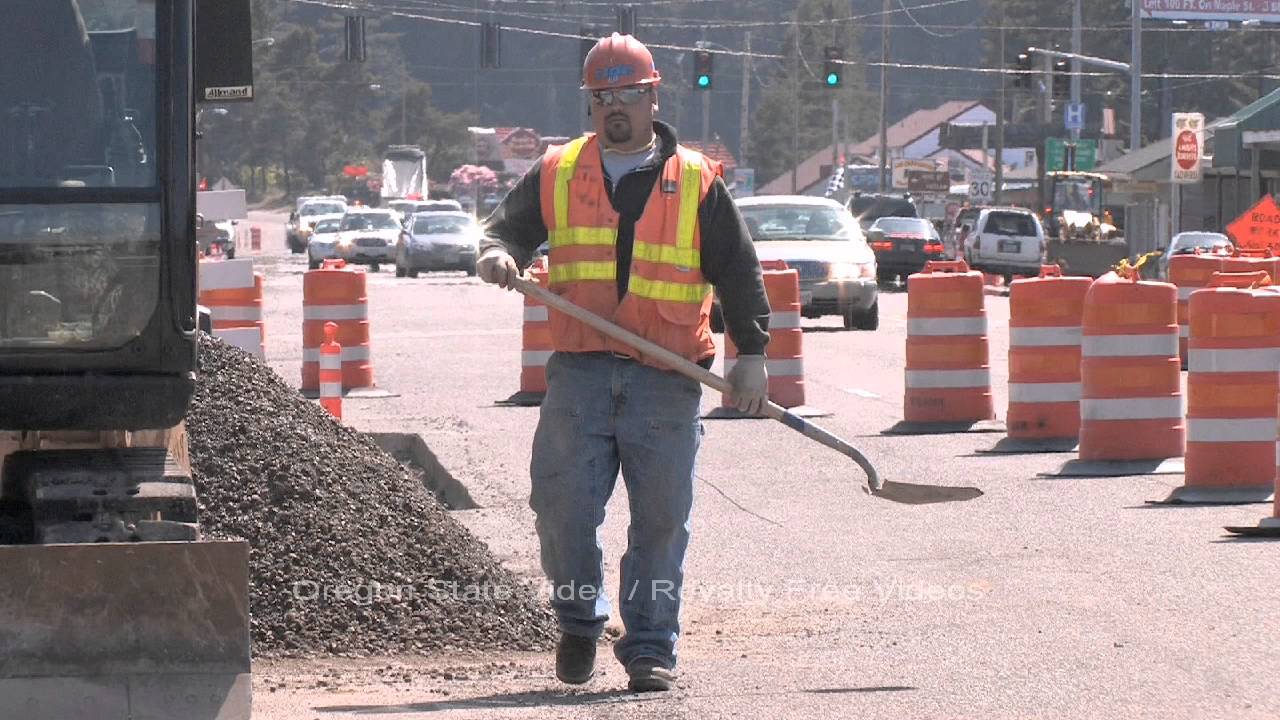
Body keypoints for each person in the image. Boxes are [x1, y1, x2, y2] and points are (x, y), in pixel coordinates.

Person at [477, 33, 771, 693]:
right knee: (561, 507)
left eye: (627, 95)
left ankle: (648, 649)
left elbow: (739, 270)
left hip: (668, 377)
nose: (614, 107)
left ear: (652, 97)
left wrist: (751, 352)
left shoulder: (696, 180)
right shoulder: (558, 171)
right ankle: (580, 619)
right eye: (601, 96)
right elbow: (506, 229)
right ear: (590, 102)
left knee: (661, 520)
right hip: (579, 375)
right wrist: (499, 253)